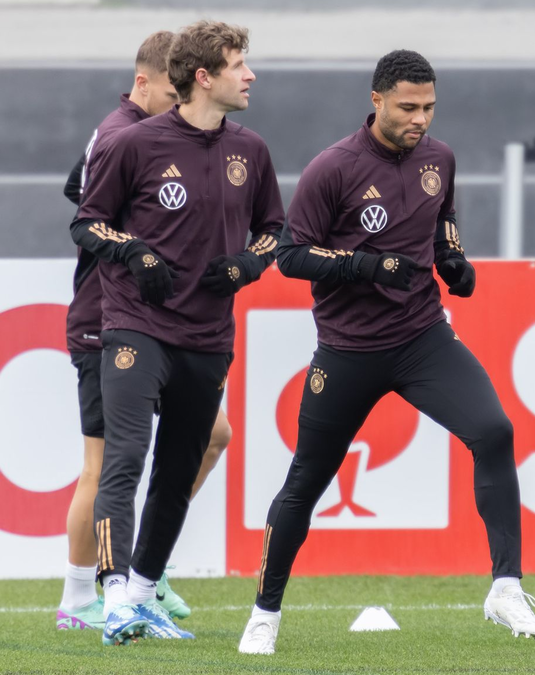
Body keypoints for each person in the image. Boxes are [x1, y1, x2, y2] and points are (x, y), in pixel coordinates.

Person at [237, 49, 535, 656]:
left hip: (423, 338)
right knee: (306, 480)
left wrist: (452, 259)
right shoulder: (334, 167)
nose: (419, 119)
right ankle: (265, 613)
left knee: (494, 431)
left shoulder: (439, 158)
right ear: (376, 100)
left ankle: (505, 587)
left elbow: (442, 218)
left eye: (428, 107)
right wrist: (366, 265)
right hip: (348, 350)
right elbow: (291, 255)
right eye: (407, 107)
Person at [70, 20, 284, 646]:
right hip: (135, 326)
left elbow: (275, 232)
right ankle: (112, 597)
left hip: (209, 335)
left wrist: (247, 265)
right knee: (125, 456)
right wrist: (134, 252)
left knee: (178, 467)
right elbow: (87, 223)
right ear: (204, 77)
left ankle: (143, 594)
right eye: (239, 65)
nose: (250, 76)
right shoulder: (134, 144)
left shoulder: (252, 151)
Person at [56, 29, 232, 632]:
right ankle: (80, 597)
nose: (180, 101)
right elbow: (85, 202)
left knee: (213, 435)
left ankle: (143, 566)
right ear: (144, 82)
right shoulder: (122, 133)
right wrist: (138, 246)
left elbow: (78, 183)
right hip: (106, 316)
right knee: (105, 462)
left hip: (157, 320)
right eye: (171, 91)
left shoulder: (147, 135)